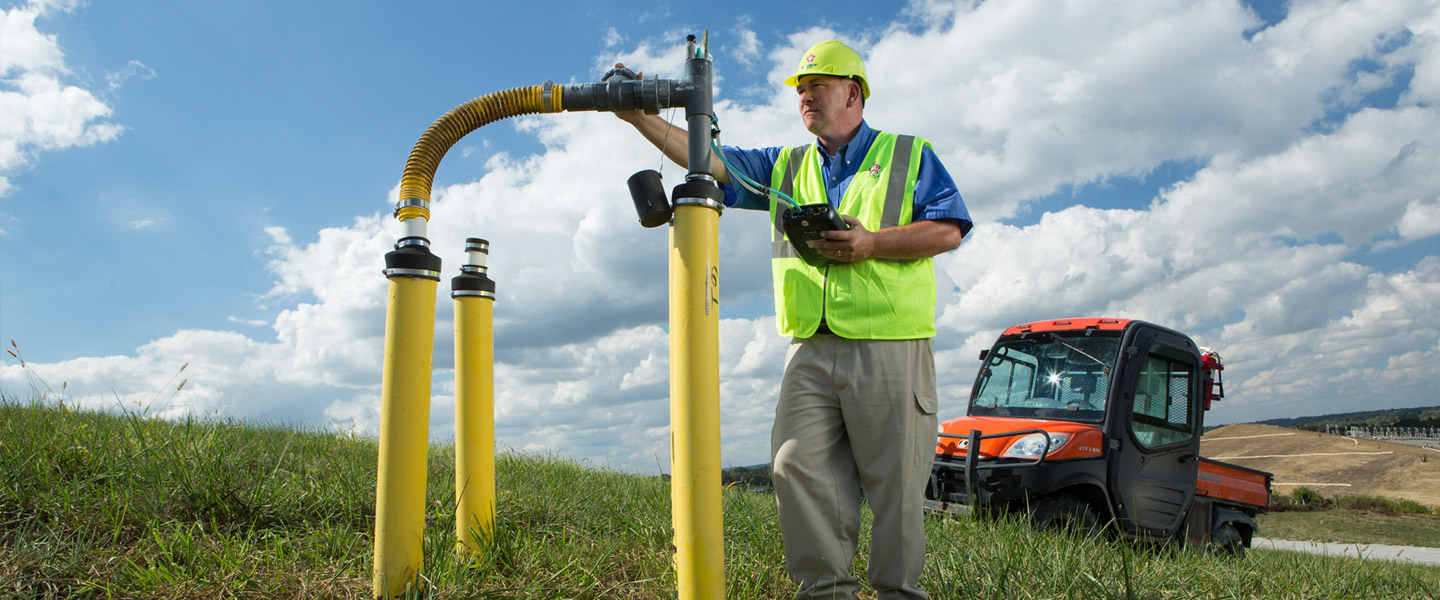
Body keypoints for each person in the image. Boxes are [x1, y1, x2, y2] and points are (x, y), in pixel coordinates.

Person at [617, 39, 970, 600]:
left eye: (817, 87)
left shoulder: (909, 154)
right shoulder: (784, 166)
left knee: (897, 488)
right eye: (801, 90)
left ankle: (898, 594)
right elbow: (708, 157)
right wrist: (639, 117)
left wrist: (873, 243)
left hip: (891, 343)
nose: (806, 97)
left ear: (853, 93)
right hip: (809, 346)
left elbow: (948, 229)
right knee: (793, 465)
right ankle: (827, 593)